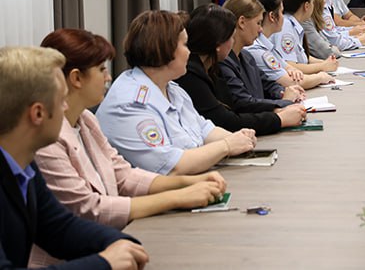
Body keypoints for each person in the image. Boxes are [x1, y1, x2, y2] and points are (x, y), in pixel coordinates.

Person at [31, 29, 227, 265]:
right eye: (101, 69)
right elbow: (88, 209)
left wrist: (187, 182)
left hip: (104, 245)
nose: (108, 77)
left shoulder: (86, 119)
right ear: (76, 78)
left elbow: (122, 174)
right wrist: (178, 197)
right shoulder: (47, 139)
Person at [0, 46, 148, 270]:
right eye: (61, 100)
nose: (66, 107)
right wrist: (105, 263)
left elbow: (58, 227)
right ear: (38, 113)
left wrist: (119, 242)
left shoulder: (23, 163)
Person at [96, 10, 257, 175]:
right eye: (185, 44)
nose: (189, 52)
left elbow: (203, 129)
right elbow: (172, 166)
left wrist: (238, 138)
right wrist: (227, 145)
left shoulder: (172, 89)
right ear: (166, 49)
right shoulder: (131, 104)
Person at [176, 4, 306, 136]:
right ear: (218, 43)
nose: (233, 42)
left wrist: (277, 109)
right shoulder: (192, 75)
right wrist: (279, 118)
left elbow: (233, 109)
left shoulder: (212, 67)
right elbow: (228, 120)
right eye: (231, 37)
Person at [220, 0, 307, 110]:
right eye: (258, 23)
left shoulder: (246, 56)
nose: (260, 29)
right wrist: (284, 101)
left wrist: (284, 92)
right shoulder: (224, 62)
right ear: (242, 22)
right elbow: (244, 102)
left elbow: (267, 84)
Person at [243, 0, 337, 89]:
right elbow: (291, 81)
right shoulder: (258, 48)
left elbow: (289, 66)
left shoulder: (268, 46)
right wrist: (320, 76)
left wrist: (293, 70)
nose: (283, 17)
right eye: (281, 12)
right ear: (272, 17)